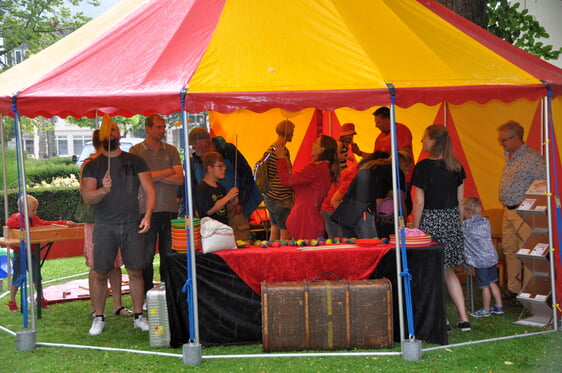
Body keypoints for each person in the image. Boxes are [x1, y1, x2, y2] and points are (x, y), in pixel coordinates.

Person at [81, 117, 156, 336]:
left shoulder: (135, 160)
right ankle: (98, 316)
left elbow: (150, 190)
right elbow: (88, 197)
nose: (111, 134)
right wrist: (103, 190)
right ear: (101, 136)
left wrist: (148, 215)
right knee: (100, 272)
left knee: (135, 271)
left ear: (120, 134)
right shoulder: (92, 165)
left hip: (132, 223)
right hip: (104, 225)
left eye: (114, 130)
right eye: (107, 131)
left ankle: (139, 315)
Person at [411, 124, 470, 332]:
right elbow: (461, 201)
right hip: (452, 221)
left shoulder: (422, 167)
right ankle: (464, 319)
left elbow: (418, 203)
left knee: (434, 273)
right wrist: (457, 224)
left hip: (431, 222)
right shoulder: (456, 165)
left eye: (424, 138)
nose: (421, 142)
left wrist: (415, 229)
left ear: (433, 141)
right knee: (449, 272)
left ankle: (442, 320)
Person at [129, 114, 183, 296]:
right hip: (145, 211)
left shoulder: (172, 150)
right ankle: (147, 294)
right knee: (146, 256)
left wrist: (150, 176)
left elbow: (180, 179)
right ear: (148, 128)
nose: (162, 130)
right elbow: (137, 178)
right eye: (158, 127)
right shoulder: (136, 151)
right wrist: (168, 171)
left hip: (169, 209)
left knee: (169, 255)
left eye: (163, 127)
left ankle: (168, 293)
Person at [80, 130, 132, 317]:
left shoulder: (115, 161)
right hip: (96, 219)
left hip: (116, 217)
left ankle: (118, 304)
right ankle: (96, 307)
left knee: (116, 262)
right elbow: (86, 192)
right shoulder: (90, 164)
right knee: (97, 264)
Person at [497, 120, 545, 303]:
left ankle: (529, 291)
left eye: (504, 139)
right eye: (500, 140)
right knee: (510, 249)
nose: (501, 143)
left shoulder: (533, 158)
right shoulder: (510, 155)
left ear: (517, 137)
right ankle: (513, 288)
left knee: (527, 250)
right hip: (508, 210)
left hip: (524, 211)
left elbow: (544, 182)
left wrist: (531, 205)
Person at [189, 128, 262, 241]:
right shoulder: (195, 161)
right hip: (212, 213)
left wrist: (241, 201)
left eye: (194, 144)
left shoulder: (229, 151)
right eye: (220, 166)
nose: (193, 148)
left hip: (235, 207)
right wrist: (195, 209)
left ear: (206, 142)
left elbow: (246, 175)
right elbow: (193, 189)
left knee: (239, 238)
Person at [6, 195, 76, 312]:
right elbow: (10, 223)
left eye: (35, 210)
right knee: (18, 277)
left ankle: (40, 297)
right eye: (33, 210)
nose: (35, 212)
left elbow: (47, 223)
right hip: (20, 253)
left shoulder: (35, 219)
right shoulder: (16, 218)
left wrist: (64, 223)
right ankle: (12, 301)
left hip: (33, 252)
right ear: (23, 209)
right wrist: (24, 225)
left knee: (36, 277)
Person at [275, 135, 339, 240]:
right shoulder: (325, 168)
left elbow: (287, 181)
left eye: (316, 143)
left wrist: (281, 160)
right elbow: (296, 185)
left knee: (302, 253)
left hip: (305, 219)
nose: (312, 145)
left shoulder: (316, 168)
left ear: (321, 149)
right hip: (309, 218)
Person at [355, 107, 414, 213]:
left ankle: (402, 227)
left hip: (401, 177)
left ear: (388, 119)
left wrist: (384, 162)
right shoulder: (379, 137)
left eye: (379, 122)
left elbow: (404, 155)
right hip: (386, 179)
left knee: (401, 206)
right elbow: (375, 157)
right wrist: (359, 153)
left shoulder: (400, 129)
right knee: (387, 208)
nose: (376, 125)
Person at [462, 196, 504, 318]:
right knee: (492, 282)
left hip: (481, 260)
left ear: (469, 211)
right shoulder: (485, 221)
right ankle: (499, 306)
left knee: (484, 286)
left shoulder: (466, 225)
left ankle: (486, 309)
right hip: (491, 257)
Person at [261, 120, 295, 241]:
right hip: (280, 197)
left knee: (275, 227)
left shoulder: (270, 149)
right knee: (286, 230)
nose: (293, 135)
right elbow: (285, 174)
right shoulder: (281, 152)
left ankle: (272, 253)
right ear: (289, 133)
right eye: (293, 132)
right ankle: (284, 257)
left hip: (269, 196)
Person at [321, 141, 358, 238]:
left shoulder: (350, 171)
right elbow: (334, 200)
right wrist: (350, 218)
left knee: (335, 239)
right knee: (339, 241)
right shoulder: (352, 176)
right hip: (330, 208)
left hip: (327, 204)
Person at [194, 152, 239, 224]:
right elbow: (208, 211)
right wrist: (227, 197)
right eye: (220, 166)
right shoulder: (201, 188)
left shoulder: (221, 187)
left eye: (224, 165)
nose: (224, 169)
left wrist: (232, 204)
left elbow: (223, 210)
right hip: (210, 231)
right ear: (210, 168)